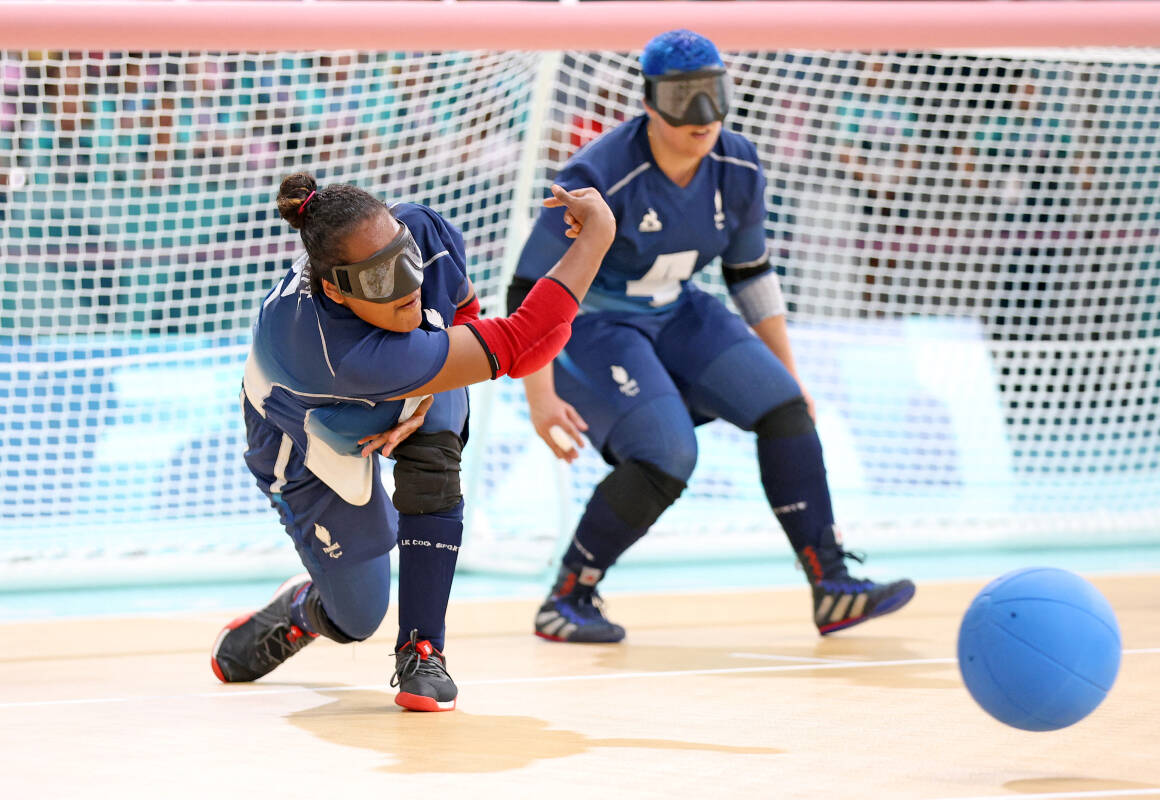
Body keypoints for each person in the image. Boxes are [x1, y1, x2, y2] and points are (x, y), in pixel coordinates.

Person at [508, 30, 915, 643]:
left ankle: (832, 586)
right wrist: (538, 395)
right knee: (667, 455)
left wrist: (790, 373)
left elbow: (749, 273)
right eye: (682, 97)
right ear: (648, 102)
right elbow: (527, 290)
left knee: (785, 409)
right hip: (592, 324)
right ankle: (567, 599)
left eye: (713, 94)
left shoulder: (739, 164)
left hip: (678, 311)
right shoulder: (598, 176)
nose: (703, 116)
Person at [210, 172, 615, 710]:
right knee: (356, 618)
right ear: (335, 288)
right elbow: (526, 342)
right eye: (380, 280)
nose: (408, 286)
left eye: (405, 259)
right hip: (305, 438)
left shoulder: (423, 230)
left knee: (437, 438)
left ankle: (422, 651)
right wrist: (596, 238)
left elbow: (464, 314)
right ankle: (303, 610)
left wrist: (422, 395)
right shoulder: (332, 350)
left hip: (391, 381)